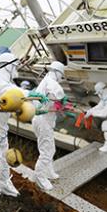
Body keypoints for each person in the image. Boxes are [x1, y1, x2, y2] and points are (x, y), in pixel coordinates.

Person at [0, 52, 47, 197]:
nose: (17, 68)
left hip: (1, 129)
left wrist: (35, 110)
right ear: (8, 66)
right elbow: (15, 94)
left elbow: (16, 106)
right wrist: (31, 94)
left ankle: (4, 185)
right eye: (15, 65)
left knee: (3, 162)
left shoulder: (9, 85)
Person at [32, 61, 66, 190]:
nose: (61, 78)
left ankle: (49, 172)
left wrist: (60, 105)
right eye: (61, 76)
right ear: (57, 72)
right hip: (43, 120)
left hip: (41, 119)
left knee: (47, 148)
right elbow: (58, 93)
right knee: (48, 150)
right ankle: (40, 177)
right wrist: (62, 99)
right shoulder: (51, 81)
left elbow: (53, 100)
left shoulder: (46, 81)